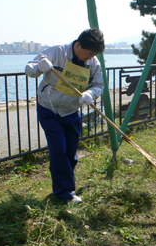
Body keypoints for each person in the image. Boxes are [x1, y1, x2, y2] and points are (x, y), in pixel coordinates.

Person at [25, 28, 105, 205]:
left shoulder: (93, 64)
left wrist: (91, 93)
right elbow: (29, 69)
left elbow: (99, 85)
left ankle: (64, 184)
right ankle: (64, 193)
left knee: (70, 151)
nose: (91, 57)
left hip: (71, 110)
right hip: (49, 108)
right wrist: (38, 67)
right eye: (89, 53)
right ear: (78, 45)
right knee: (58, 149)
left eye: (94, 54)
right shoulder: (56, 52)